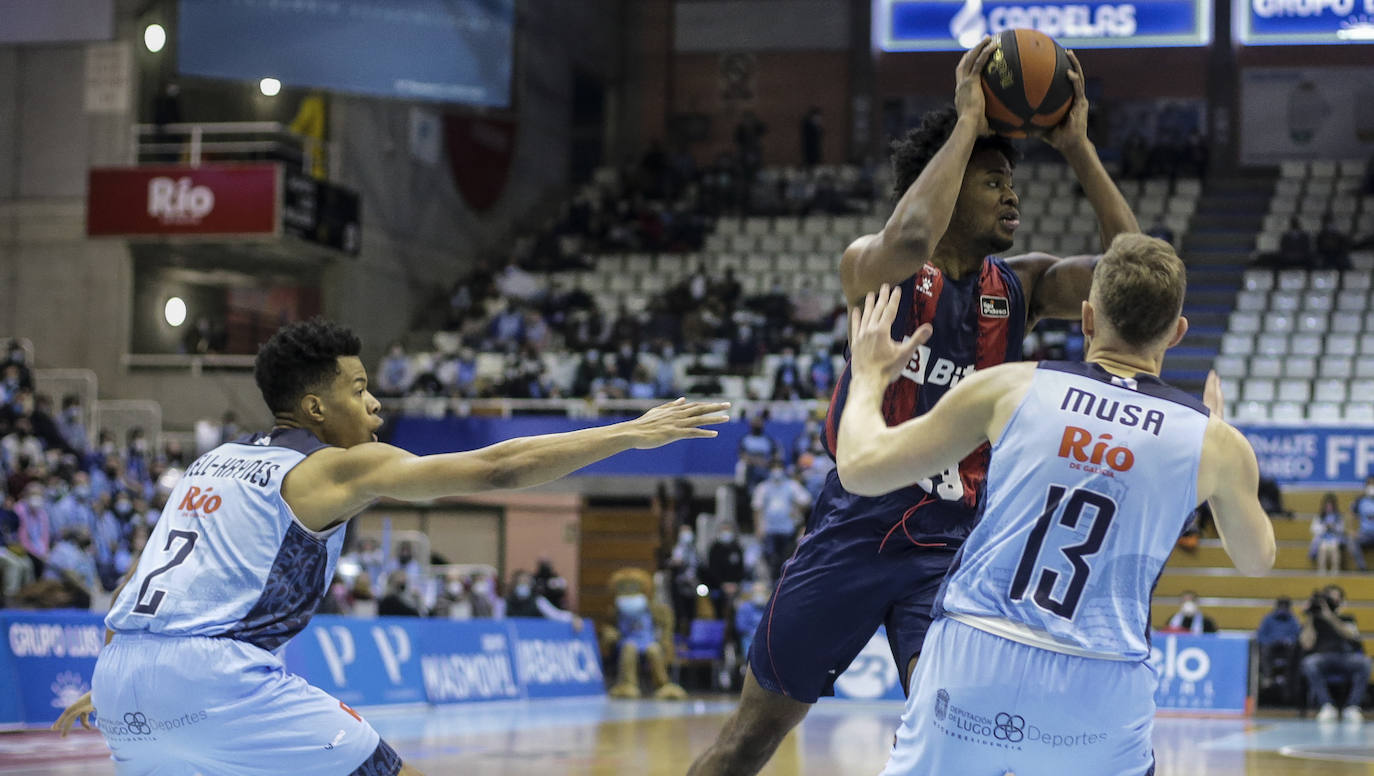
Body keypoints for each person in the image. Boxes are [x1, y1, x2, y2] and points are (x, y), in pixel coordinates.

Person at [690, 37, 1145, 776]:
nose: (1013, 195)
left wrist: (1079, 147)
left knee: (964, 754)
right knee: (747, 742)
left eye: (1011, 181)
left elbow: (1135, 281)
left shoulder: (1019, 286)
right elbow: (908, 233)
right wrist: (968, 121)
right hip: (854, 530)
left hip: (953, 551)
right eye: (993, 181)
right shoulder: (874, 267)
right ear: (950, 180)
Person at [52, 318, 728, 775]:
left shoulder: (209, 464)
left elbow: (135, 587)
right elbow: (497, 468)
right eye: (360, 389)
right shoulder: (330, 467)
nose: (375, 406)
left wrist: (126, 683)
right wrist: (629, 435)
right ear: (315, 409)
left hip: (122, 679)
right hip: (215, 676)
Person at [836, 237, 1274, 774]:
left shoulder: (1011, 386)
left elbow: (859, 468)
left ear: (1087, 317)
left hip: (977, 650)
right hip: (1102, 677)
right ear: (1177, 332)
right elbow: (1256, 560)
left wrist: (868, 377)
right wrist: (1219, 464)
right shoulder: (1215, 442)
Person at [1300, 585, 1371, 723]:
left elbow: (1351, 635)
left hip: (1345, 657)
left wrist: (1330, 617)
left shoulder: (1347, 618)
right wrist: (1310, 617)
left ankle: (1353, 707)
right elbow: (1306, 644)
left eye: (1335, 597)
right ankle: (1326, 705)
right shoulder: (1315, 620)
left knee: (1365, 663)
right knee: (1309, 663)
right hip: (1323, 658)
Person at [752, 464, 810, 582]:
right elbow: (757, 509)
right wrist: (758, 527)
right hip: (769, 530)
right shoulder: (763, 487)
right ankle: (772, 582)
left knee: (787, 558)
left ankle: (785, 581)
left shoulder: (791, 486)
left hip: (787, 529)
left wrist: (797, 511)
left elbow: (806, 501)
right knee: (771, 559)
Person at [1257, 596, 1302, 705]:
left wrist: (1289, 641)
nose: (1282, 609)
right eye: (1280, 606)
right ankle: (1267, 676)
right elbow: (1260, 636)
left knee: (1294, 651)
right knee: (1265, 650)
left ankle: (1288, 677)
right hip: (1271, 647)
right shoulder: (1268, 619)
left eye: (1285, 607)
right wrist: (1270, 641)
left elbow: (1297, 636)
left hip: (1286, 648)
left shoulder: (1293, 620)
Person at [1310, 492, 1347, 574]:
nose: (1329, 508)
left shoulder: (1338, 517)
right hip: (1323, 539)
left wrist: (1333, 527)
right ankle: (1321, 569)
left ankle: (1335, 568)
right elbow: (1313, 529)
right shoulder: (1319, 516)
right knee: (1323, 548)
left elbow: (1342, 529)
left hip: (1335, 538)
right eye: (1327, 506)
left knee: (1334, 548)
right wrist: (1324, 527)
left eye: (1331, 505)